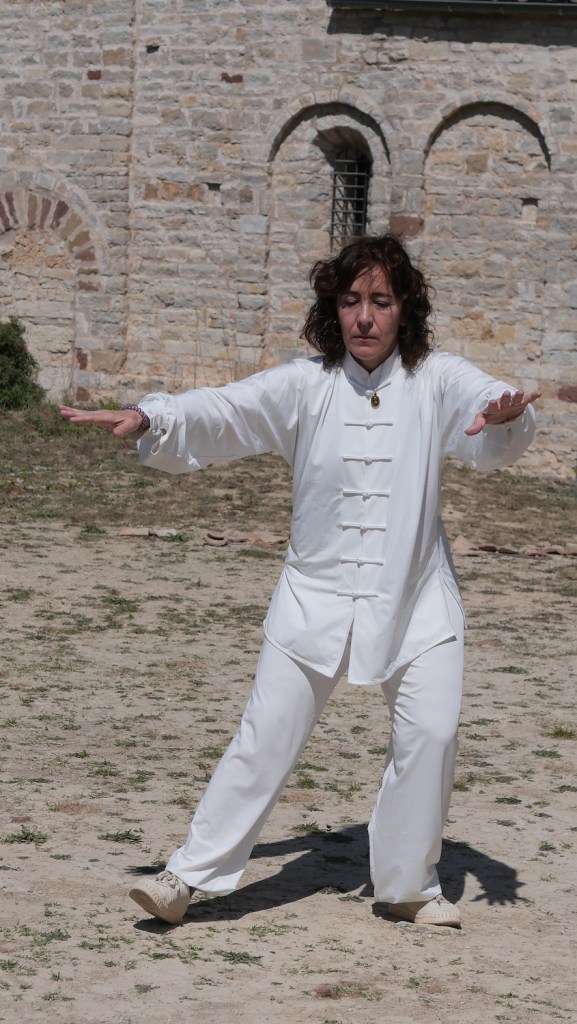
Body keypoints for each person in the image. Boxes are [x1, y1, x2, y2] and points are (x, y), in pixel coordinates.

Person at [60, 234, 540, 929]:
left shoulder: (436, 378)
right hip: (312, 598)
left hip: (416, 600)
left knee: (432, 735)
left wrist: (506, 414)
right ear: (332, 309)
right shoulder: (304, 384)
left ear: (405, 308)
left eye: (381, 301)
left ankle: (408, 885)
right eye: (351, 301)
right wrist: (153, 416)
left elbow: (483, 406)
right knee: (265, 737)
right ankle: (184, 878)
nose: (364, 317)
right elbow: (226, 409)